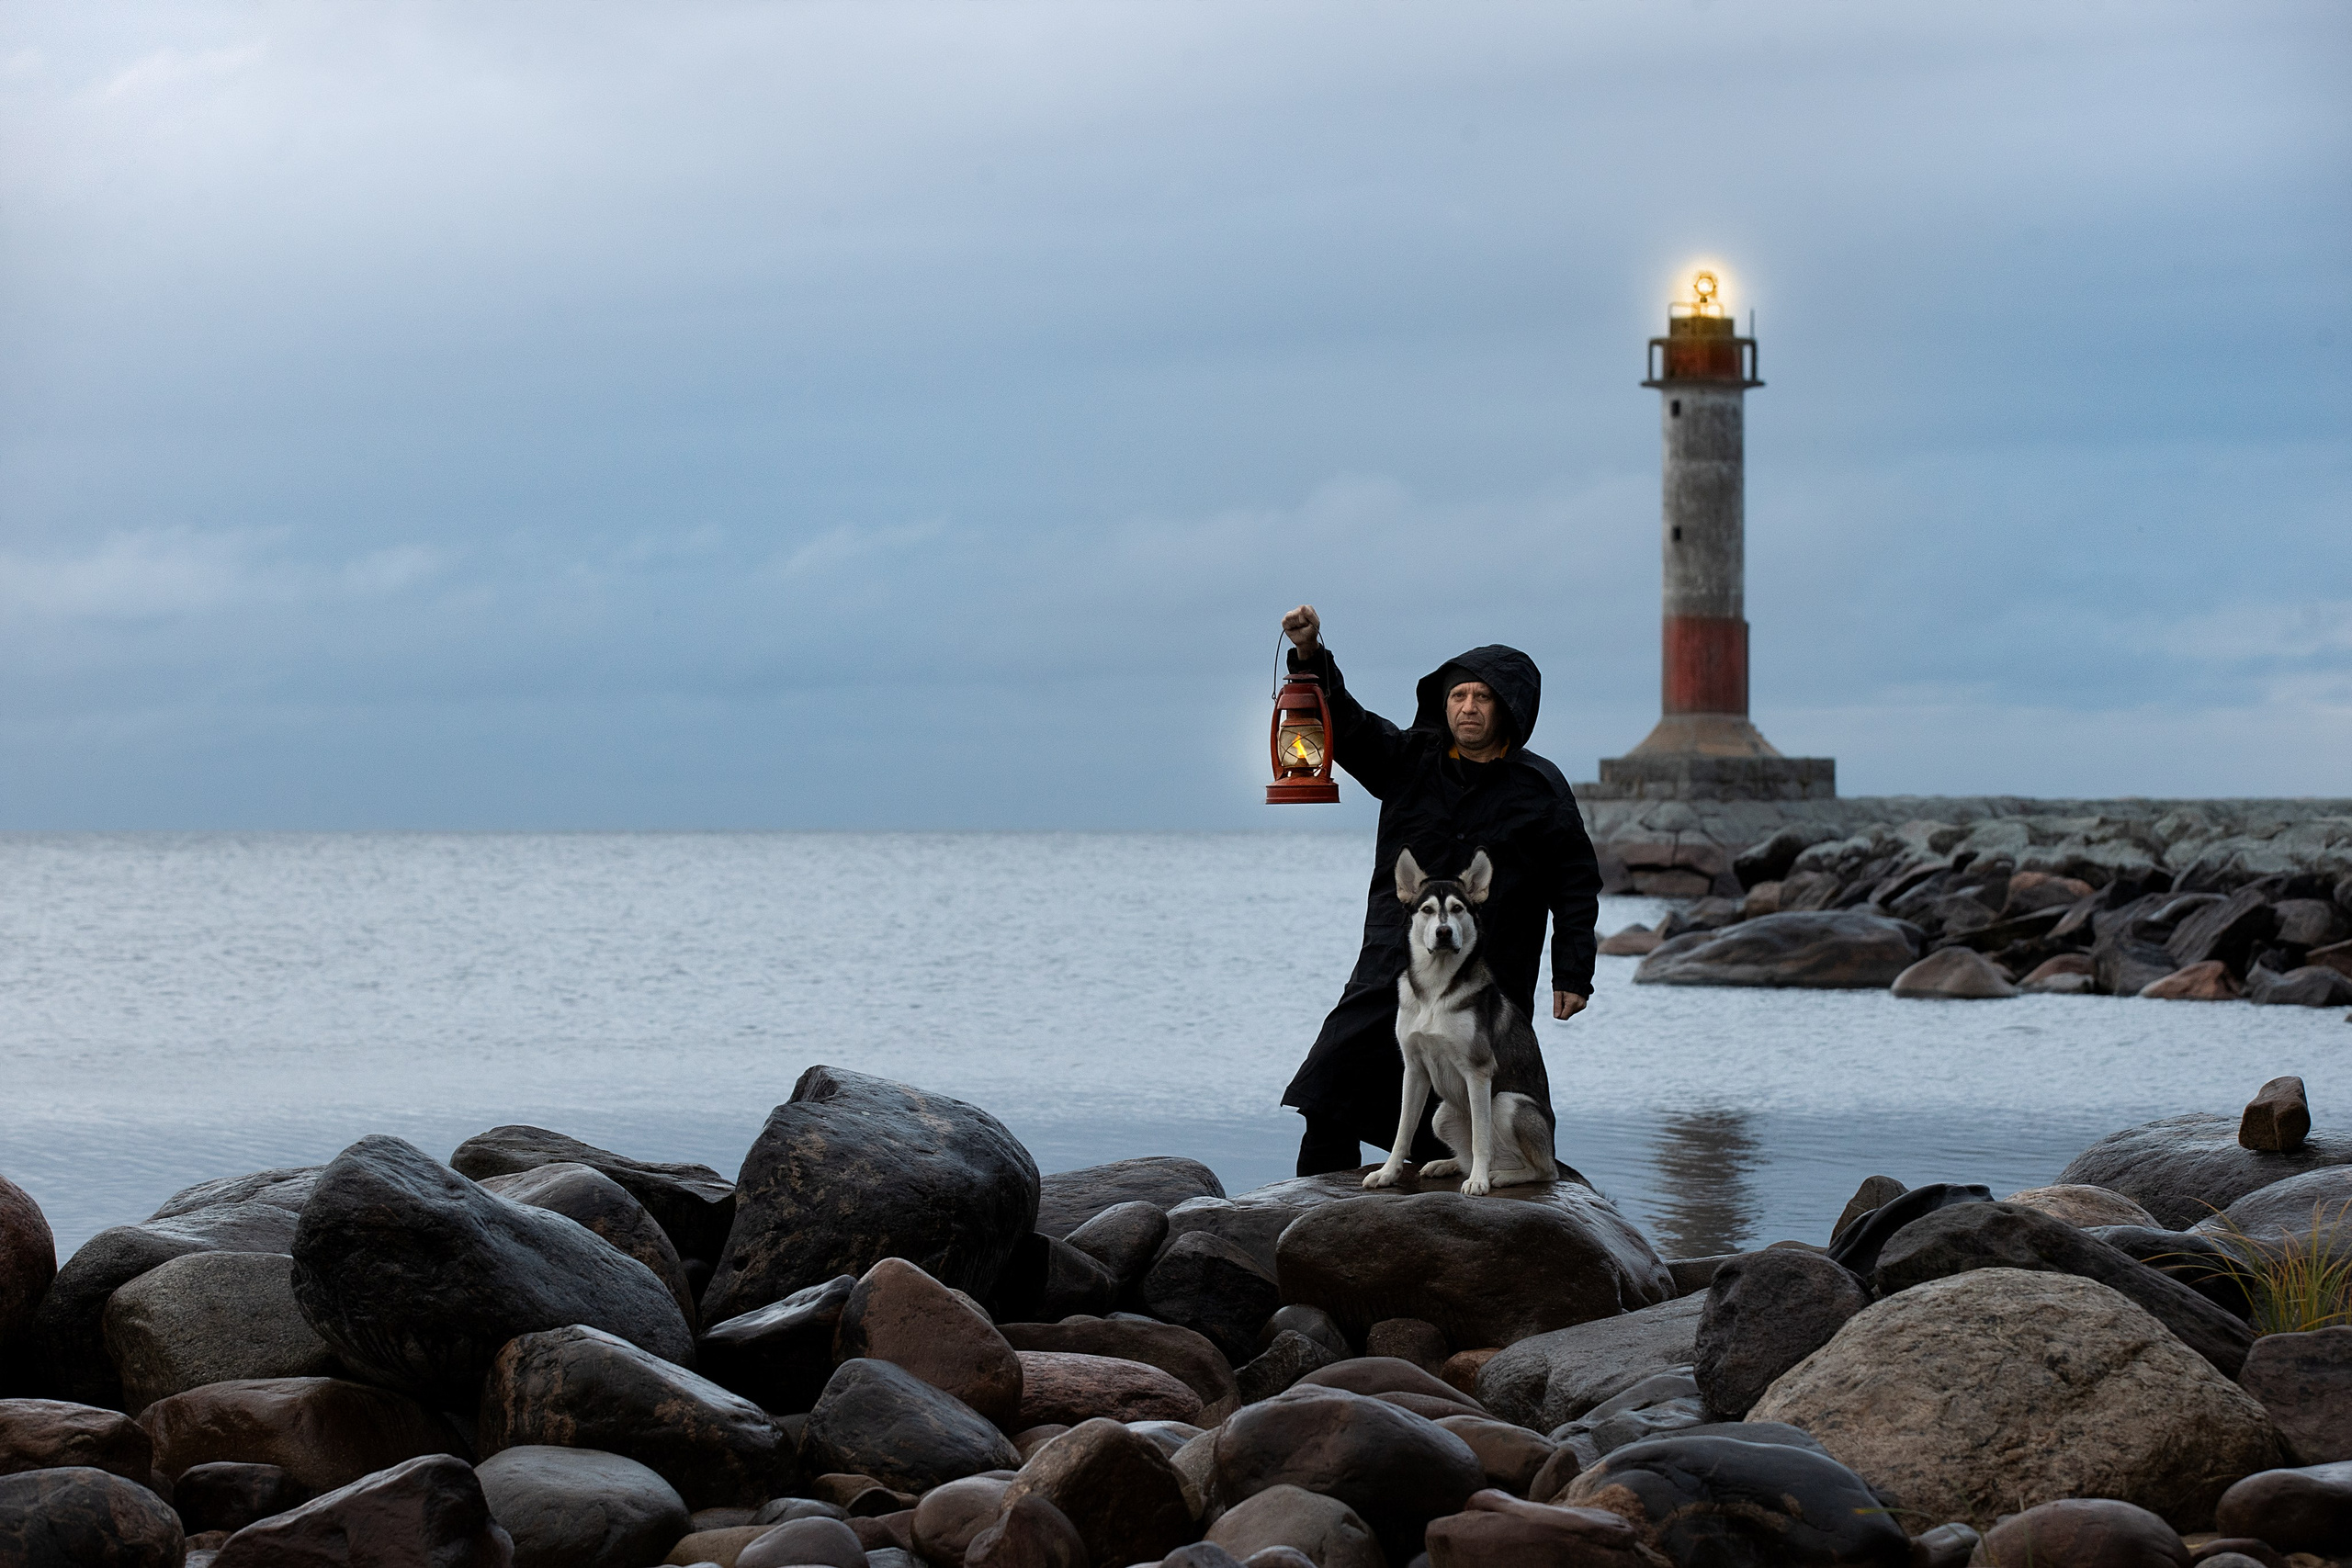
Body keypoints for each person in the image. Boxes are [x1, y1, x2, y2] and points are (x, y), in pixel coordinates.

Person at [1277, 604, 1602, 1177]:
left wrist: (1573, 973)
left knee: (1453, 1122)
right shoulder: (1407, 759)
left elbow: (1575, 882)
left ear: (1509, 708)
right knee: (1331, 1091)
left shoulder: (1540, 787)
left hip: (1488, 979)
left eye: (1482, 697)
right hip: (1392, 966)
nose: (1468, 707)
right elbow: (1349, 724)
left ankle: (1450, 1216)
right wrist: (1309, 656)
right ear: (1443, 704)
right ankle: (1314, 1209)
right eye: (1458, 696)